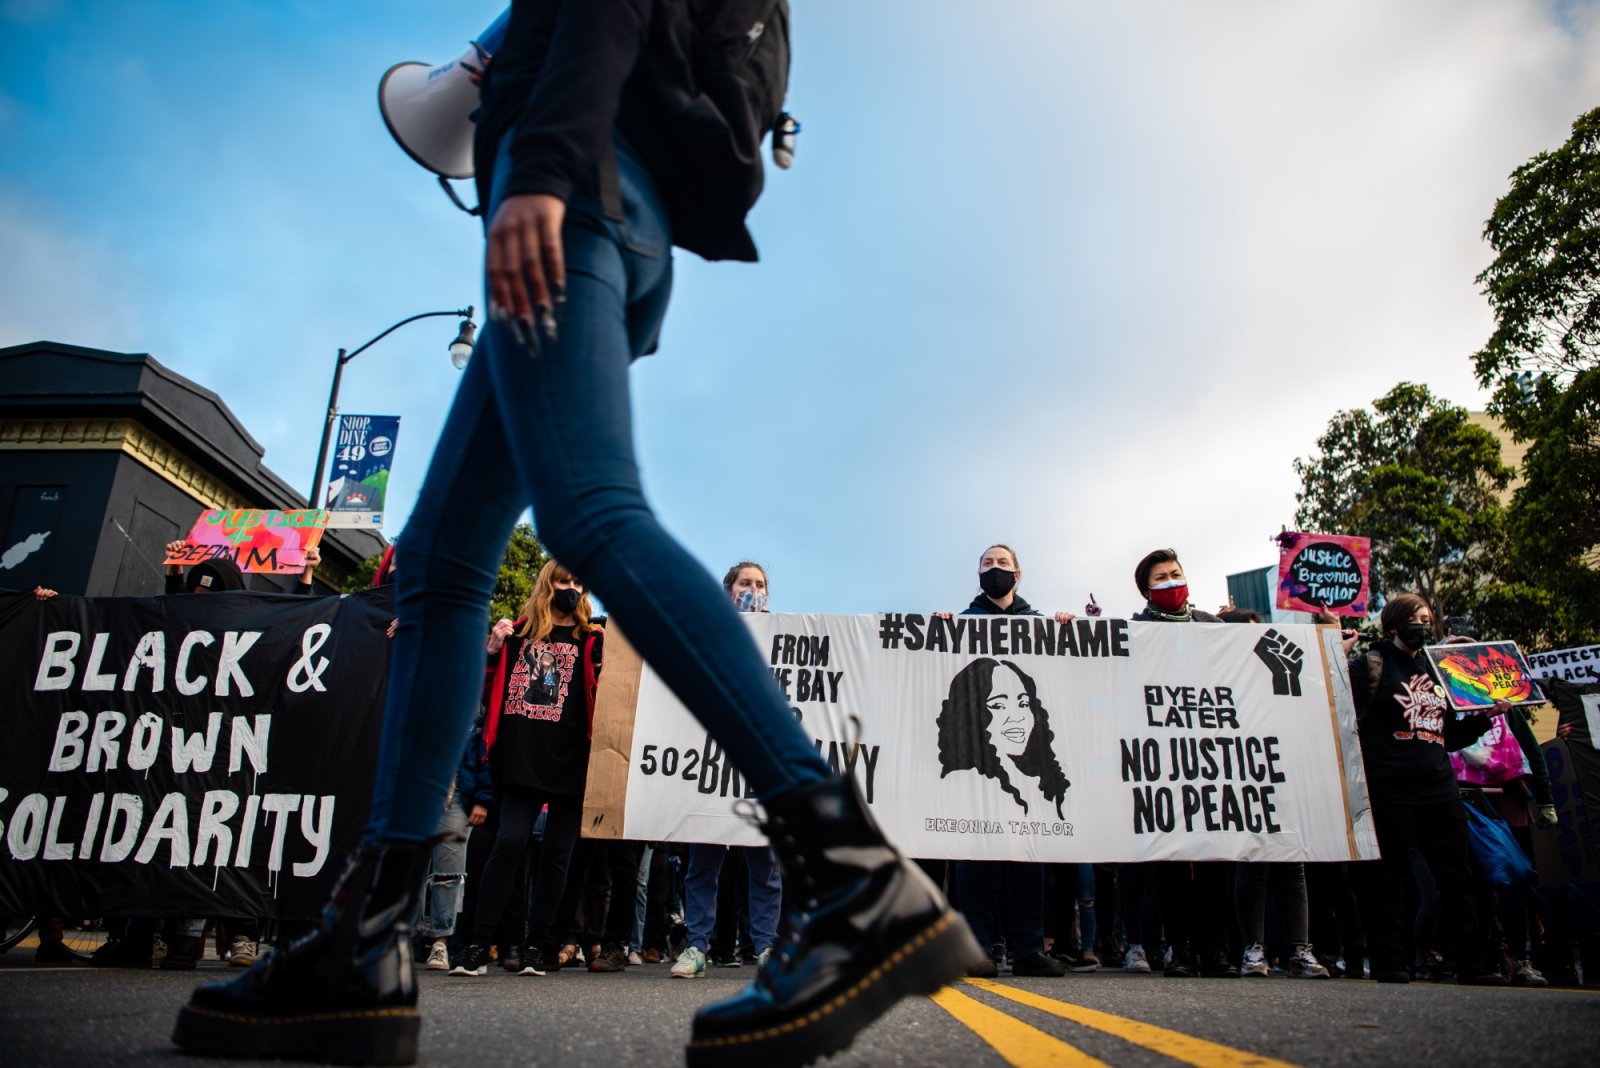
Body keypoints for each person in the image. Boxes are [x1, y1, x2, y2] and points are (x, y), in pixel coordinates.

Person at [172, 5, 979, 1064]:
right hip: (619, 217)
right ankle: (365, 942)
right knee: (445, 564)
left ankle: (850, 870)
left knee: (590, 512)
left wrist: (539, 173)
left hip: (578, 197)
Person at [1349, 593, 1511, 985]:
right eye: (1416, 619)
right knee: (1391, 878)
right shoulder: (1371, 666)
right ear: (1394, 624)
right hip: (1391, 789)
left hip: (1440, 789)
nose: (1423, 625)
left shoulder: (1440, 673)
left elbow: (1449, 735)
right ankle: (1391, 962)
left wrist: (1484, 719)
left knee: (1458, 877)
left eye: (1427, 619)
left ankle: (1472, 963)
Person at [450, 561, 601, 977]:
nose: (570, 588)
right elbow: (479, 691)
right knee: (509, 843)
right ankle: (480, 944)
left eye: (577, 582)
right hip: (520, 758)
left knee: (557, 855)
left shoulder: (593, 638)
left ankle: (537, 946)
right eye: (562, 580)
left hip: (572, 759)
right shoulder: (516, 634)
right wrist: (491, 653)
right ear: (546, 584)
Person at [938, 544, 1073, 979]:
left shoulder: (1038, 625)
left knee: (1028, 851)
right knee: (975, 852)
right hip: (979, 758)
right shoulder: (965, 623)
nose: (994, 570)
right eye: (987, 564)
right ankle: (977, 947)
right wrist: (939, 632)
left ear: (1019, 574)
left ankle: (1029, 947)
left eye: (1002, 564)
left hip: (1026, 762)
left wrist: (1067, 629)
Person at [671, 563, 785, 979]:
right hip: (713, 764)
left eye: (759, 585)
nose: (752, 590)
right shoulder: (707, 630)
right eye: (745, 584)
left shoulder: (785, 637)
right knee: (703, 863)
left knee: (765, 868)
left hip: (759, 768)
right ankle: (696, 946)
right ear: (729, 590)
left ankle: (767, 945)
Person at [1130, 549, 1238, 978]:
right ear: (1146, 589)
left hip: (1211, 754)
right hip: (1163, 757)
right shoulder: (1136, 631)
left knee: (1217, 857)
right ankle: (1180, 951)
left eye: (1176, 574)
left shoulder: (1213, 628)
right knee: (1171, 860)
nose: (1172, 582)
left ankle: (1216, 951)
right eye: (1161, 577)